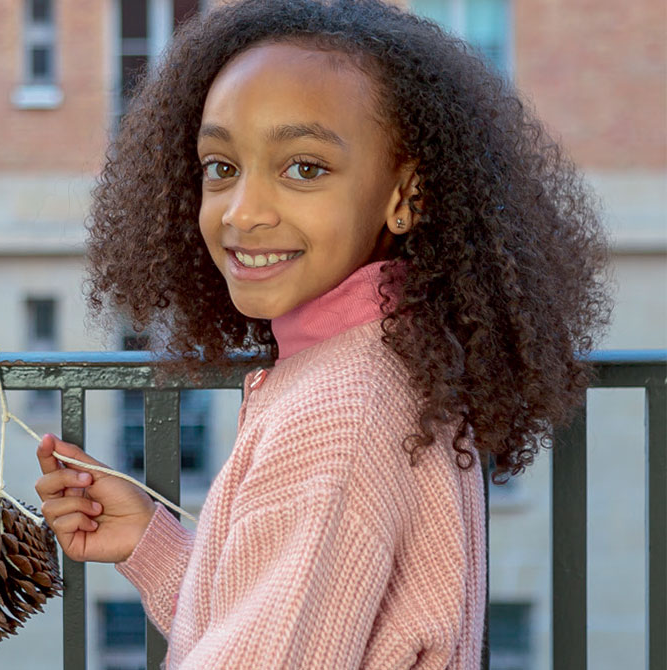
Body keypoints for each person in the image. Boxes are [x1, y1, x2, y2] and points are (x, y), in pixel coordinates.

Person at [33, 0, 612, 667]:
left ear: (404, 197)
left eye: (303, 168)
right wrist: (149, 543)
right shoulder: (391, 355)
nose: (243, 213)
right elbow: (301, 618)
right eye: (221, 167)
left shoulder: (337, 414)